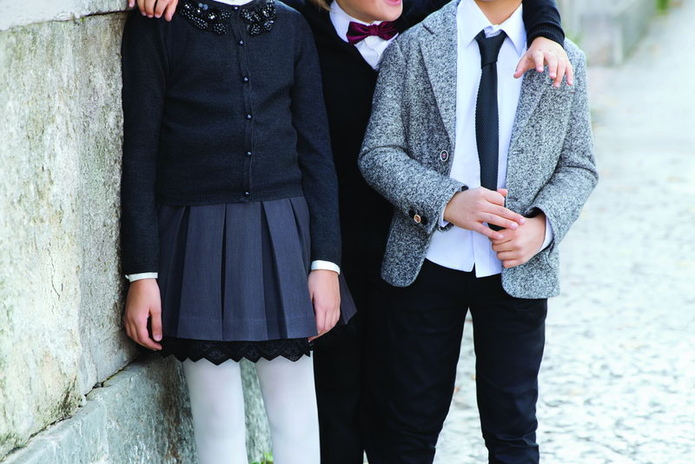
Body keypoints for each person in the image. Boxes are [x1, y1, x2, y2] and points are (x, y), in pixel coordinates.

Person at [126, 1, 571, 463]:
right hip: (320, 248)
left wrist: (547, 31)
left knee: (403, 413)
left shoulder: (424, 20)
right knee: (332, 406)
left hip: (413, 255)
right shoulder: (298, 24)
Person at [358, 0, 598, 462]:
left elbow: (579, 165)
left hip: (518, 266)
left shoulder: (565, 58)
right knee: (407, 426)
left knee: (514, 430)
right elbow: (379, 152)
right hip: (426, 262)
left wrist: (542, 227)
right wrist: (446, 200)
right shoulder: (414, 46)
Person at [119, 1, 355, 463]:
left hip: (283, 235)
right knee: (217, 421)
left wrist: (325, 263)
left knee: (296, 418)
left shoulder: (290, 25)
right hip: (194, 238)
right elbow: (140, 154)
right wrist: (141, 274)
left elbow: (316, 151)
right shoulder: (159, 25)